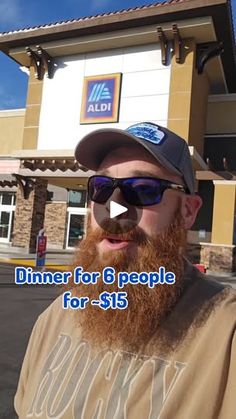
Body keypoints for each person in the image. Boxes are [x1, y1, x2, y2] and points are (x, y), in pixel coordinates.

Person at [15, 122, 236, 418]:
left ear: (187, 211)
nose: (114, 208)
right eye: (102, 188)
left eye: (143, 190)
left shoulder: (225, 336)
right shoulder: (54, 319)